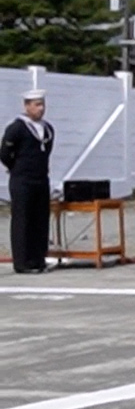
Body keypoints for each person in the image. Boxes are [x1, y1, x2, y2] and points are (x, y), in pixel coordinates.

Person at [3, 89, 54, 274]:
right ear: (27, 106)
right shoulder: (17, 127)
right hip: (22, 180)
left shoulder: (47, 129)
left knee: (40, 219)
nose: (41, 109)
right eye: (36, 105)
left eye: (42, 105)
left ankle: (38, 259)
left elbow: (46, 152)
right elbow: (5, 154)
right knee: (23, 220)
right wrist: (16, 168)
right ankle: (23, 262)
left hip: (41, 179)